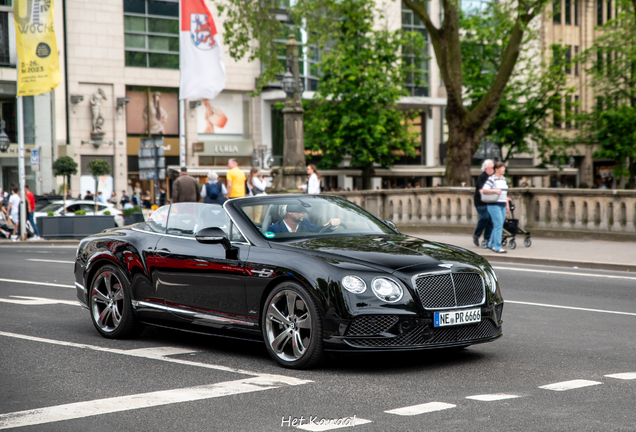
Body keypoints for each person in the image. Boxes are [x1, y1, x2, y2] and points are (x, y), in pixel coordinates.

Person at [481, 161, 511, 254]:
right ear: (497, 169)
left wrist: (507, 205)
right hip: (494, 205)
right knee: (498, 226)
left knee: (498, 225)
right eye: (502, 168)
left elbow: (504, 193)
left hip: (502, 204)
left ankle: (491, 244)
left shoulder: (503, 179)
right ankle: (498, 247)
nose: (504, 169)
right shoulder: (492, 179)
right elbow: (484, 190)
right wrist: (495, 190)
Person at [267, 204, 340, 233]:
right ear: (289, 211)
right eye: (299, 209)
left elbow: (320, 230)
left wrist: (332, 225)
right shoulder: (274, 229)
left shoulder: (305, 223)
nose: (303, 212)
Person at [473, 159, 494, 247]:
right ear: (486, 169)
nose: (493, 169)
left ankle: (487, 238)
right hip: (480, 202)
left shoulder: (493, 177)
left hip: (489, 202)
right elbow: (482, 190)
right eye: (491, 168)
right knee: (485, 218)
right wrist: (494, 191)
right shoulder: (482, 177)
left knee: (490, 221)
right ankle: (476, 235)